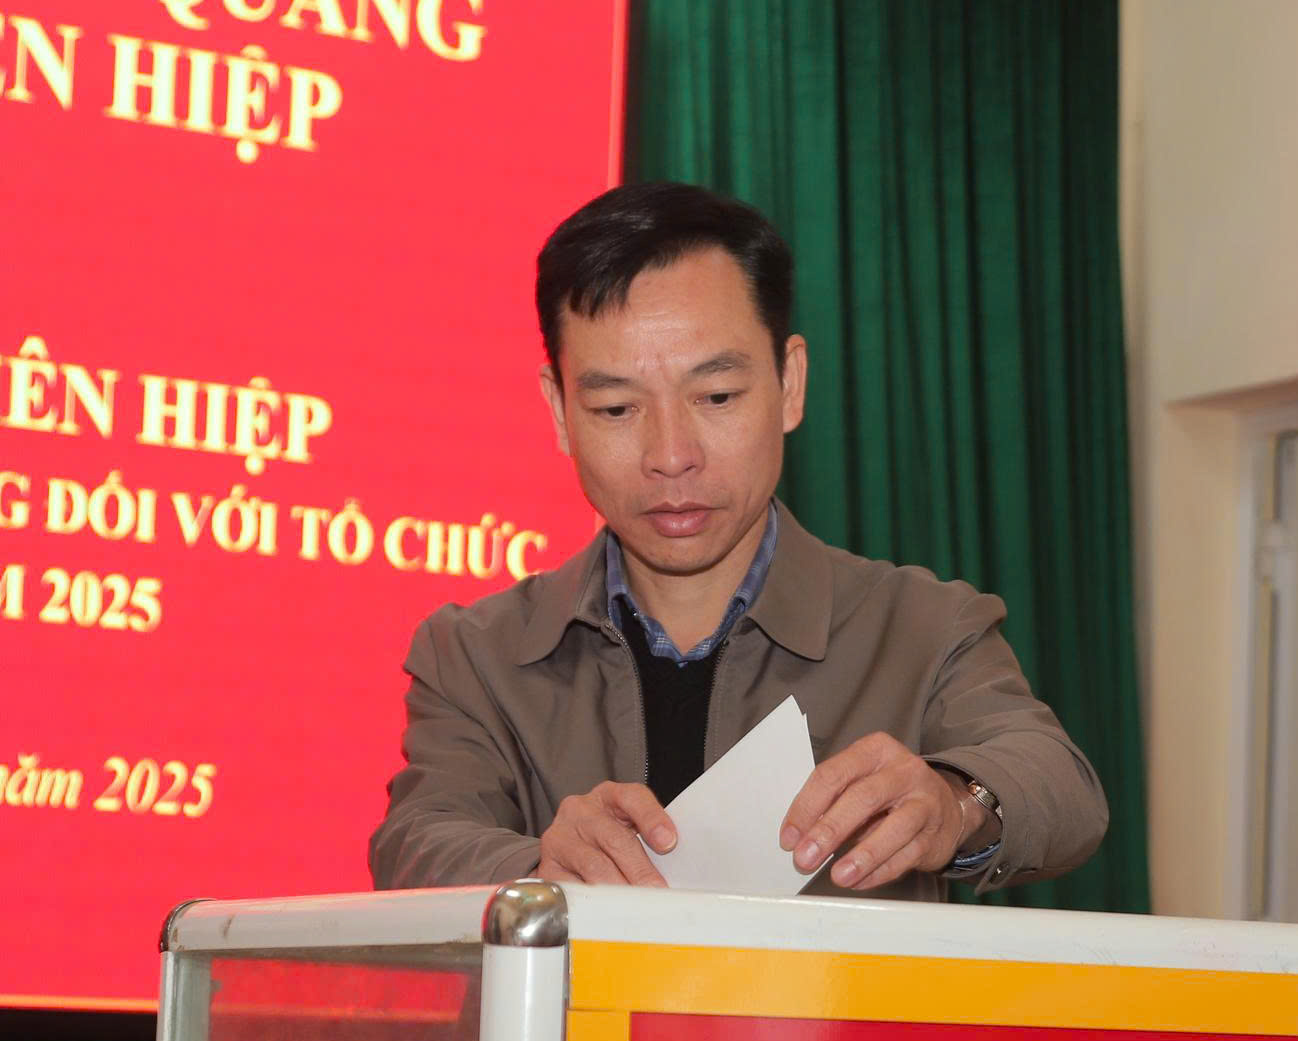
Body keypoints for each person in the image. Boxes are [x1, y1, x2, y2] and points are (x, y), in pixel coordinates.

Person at [369, 180, 1106, 899]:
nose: (670, 455)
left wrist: (957, 802)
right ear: (560, 411)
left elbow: (1061, 785)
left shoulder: (923, 626)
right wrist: (538, 867)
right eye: (617, 408)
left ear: (790, 383)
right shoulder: (475, 654)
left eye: (716, 396)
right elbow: (415, 840)